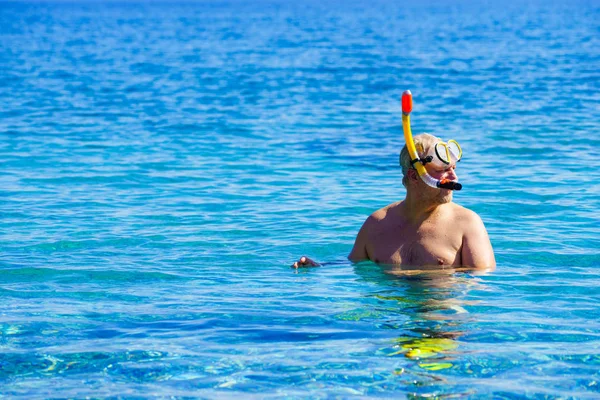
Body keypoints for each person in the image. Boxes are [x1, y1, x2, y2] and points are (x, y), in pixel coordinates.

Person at [292, 132, 496, 271]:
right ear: (415, 176)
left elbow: (482, 288)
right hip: (390, 318)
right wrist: (320, 268)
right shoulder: (375, 224)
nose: (454, 178)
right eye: (443, 170)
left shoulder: (467, 224)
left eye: (454, 168)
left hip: (442, 321)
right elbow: (355, 268)